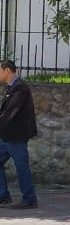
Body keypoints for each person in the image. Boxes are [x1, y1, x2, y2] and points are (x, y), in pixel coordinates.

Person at [0, 60, 39, 209]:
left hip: (16, 136)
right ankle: (3, 196)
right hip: (6, 136)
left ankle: (29, 199)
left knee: (22, 167)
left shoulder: (20, 88)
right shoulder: (11, 87)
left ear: (7, 70)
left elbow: (10, 112)